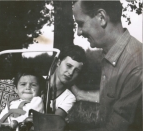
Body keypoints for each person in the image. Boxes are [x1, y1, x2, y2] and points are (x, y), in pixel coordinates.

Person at [72, 1, 142, 131]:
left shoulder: (136, 64)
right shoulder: (114, 54)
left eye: (80, 24)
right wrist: (79, 93)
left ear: (101, 17)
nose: (78, 32)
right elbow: (115, 96)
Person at [47, 45, 86, 119]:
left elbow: (54, 122)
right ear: (58, 62)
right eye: (69, 66)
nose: (71, 73)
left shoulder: (69, 97)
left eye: (77, 70)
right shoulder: (35, 82)